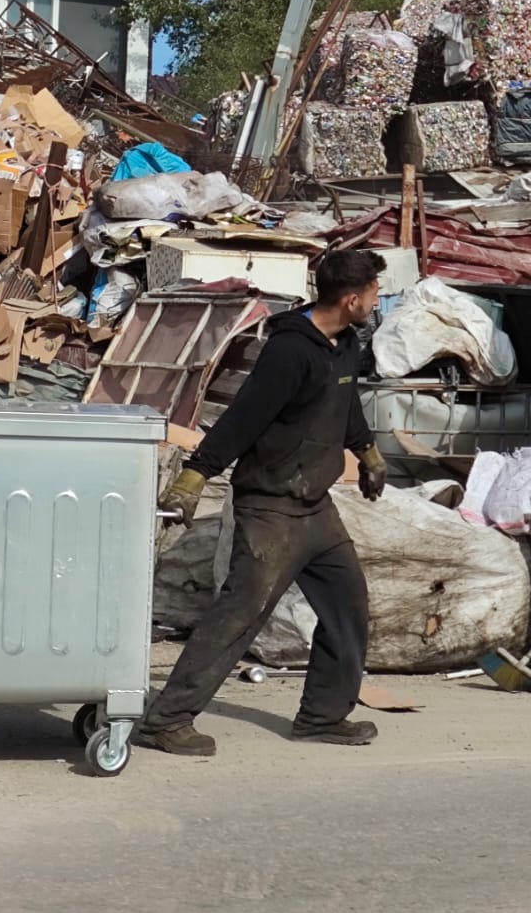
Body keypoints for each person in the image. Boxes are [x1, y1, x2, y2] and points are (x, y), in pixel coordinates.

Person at [139, 248, 392, 757]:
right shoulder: (290, 351)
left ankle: (322, 715)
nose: (377, 299)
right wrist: (196, 474)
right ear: (350, 300)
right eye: (373, 293)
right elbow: (244, 417)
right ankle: (165, 720)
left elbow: (345, 406)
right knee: (240, 613)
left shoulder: (344, 344)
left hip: (315, 506)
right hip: (271, 507)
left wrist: (368, 453)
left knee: (349, 607)